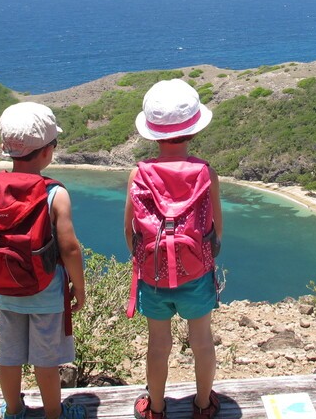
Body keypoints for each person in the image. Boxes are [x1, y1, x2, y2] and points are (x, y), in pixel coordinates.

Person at [125, 79, 223, 419]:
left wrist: (148, 262)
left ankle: (155, 407)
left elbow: (130, 232)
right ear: (194, 131)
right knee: (202, 341)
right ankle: (202, 404)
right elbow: (216, 232)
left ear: (152, 133)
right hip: (196, 274)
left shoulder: (139, 173)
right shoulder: (205, 172)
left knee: (157, 345)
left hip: (153, 277)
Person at [0, 102, 86, 419]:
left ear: (5, 148)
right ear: (48, 152)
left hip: (6, 288)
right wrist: (79, 287)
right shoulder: (54, 193)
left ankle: (14, 410)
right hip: (46, 293)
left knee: (9, 355)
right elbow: (70, 248)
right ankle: (53, 414)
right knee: (45, 359)